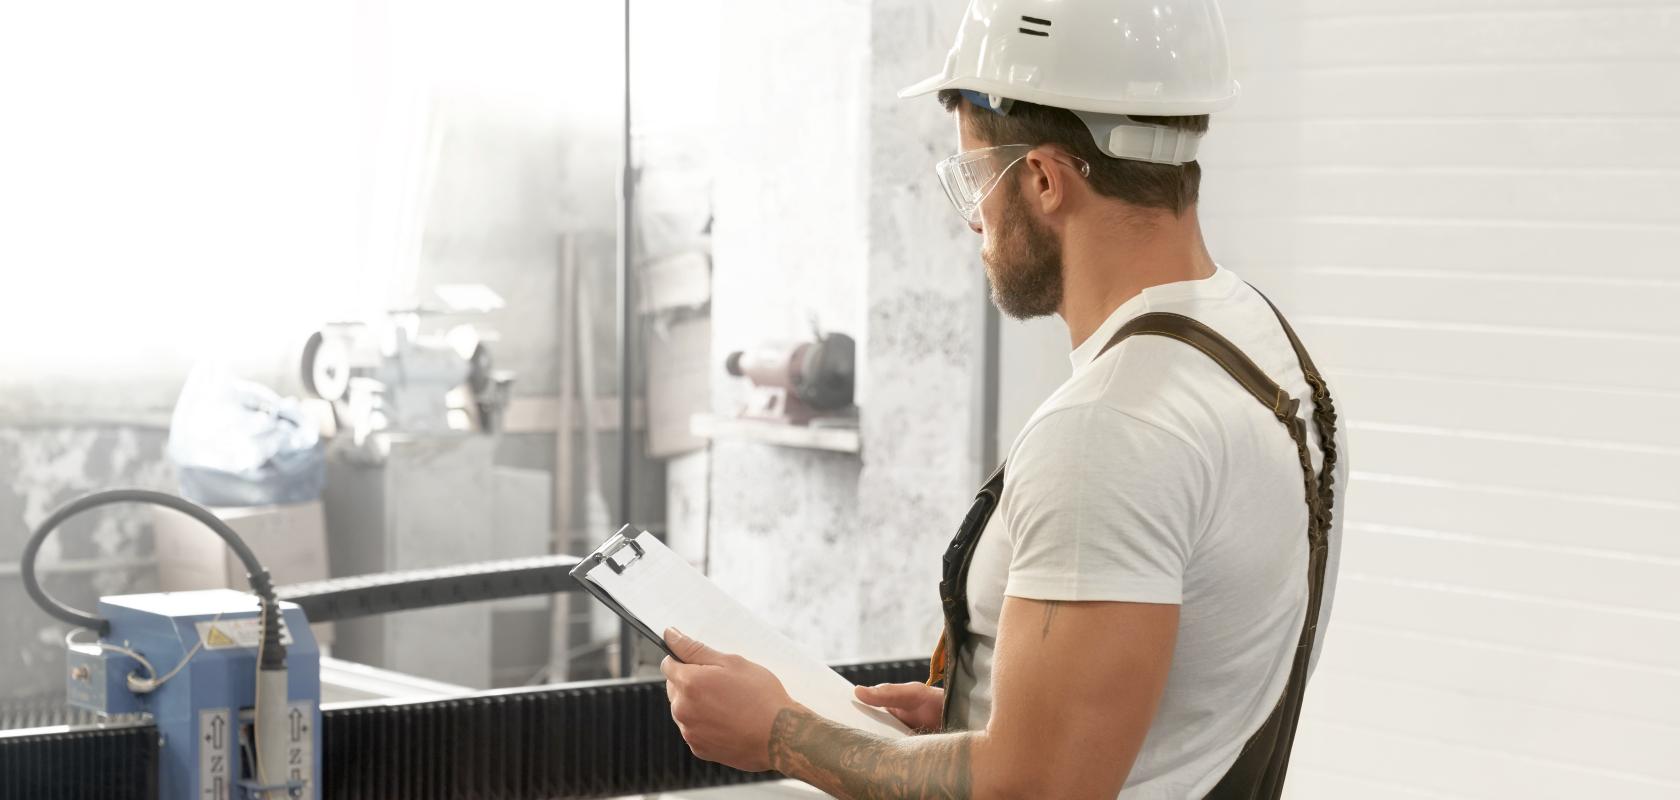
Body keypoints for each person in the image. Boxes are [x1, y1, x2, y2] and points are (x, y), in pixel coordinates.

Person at [660, 1, 1348, 796]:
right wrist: (985, 708)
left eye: (974, 177)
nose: (972, 220)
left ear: (1045, 179)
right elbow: (1181, 699)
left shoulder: (1110, 431)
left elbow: (1032, 791)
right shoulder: (1262, 346)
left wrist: (780, 735)